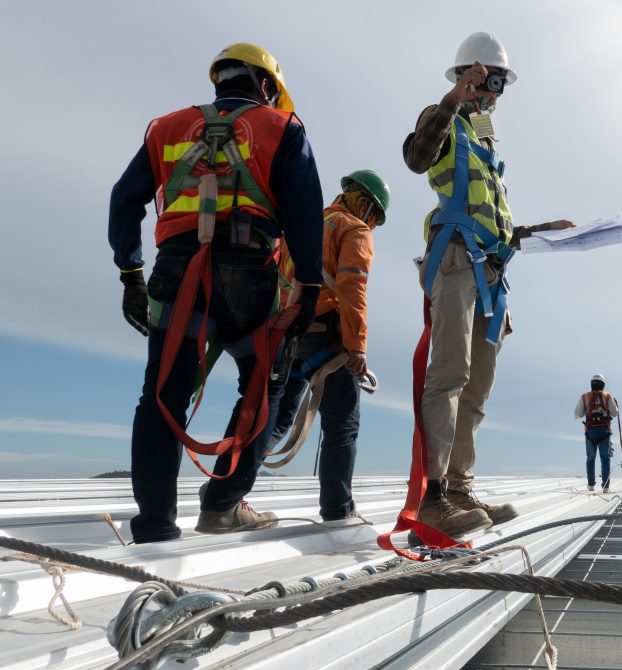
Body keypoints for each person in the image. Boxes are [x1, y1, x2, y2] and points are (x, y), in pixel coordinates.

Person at [108, 43, 324, 544]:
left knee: (163, 395)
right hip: (249, 275)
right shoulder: (281, 129)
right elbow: (305, 212)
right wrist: (310, 286)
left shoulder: (165, 128)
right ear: (266, 86)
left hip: (177, 271)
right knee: (262, 387)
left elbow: (125, 198)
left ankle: (157, 524)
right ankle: (222, 506)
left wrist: (130, 273)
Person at [403, 32, 574, 537]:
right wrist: (452, 101)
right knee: (449, 376)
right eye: (487, 80)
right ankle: (432, 499)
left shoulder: (484, 139)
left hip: (490, 274)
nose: (492, 92)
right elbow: (416, 158)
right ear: (464, 75)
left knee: (476, 389)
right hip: (456, 261)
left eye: (498, 84)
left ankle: (459, 488)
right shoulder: (445, 120)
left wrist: (540, 232)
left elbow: (495, 221)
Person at [268, 170, 390, 524]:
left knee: (275, 420)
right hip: (328, 338)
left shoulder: (300, 226)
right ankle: (338, 511)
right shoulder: (354, 229)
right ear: (365, 203)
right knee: (341, 426)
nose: (373, 224)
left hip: (287, 333)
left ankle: (226, 493)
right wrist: (357, 347)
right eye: (375, 217)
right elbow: (353, 287)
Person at [574, 374, 619, 493]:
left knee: (590, 458)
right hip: (604, 431)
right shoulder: (608, 396)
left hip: (590, 432)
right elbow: (615, 414)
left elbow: (578, 414)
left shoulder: (584, 397)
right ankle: (606, 487)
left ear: (591, 384)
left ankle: (591, 485)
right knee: (605, 459)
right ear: (603, 384)